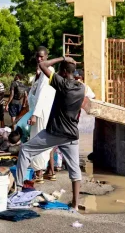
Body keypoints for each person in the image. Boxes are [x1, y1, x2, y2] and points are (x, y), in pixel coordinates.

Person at [16, 56, 85, 211]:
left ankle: (18, 191)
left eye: (61, 71)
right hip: (72, 134)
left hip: (56, 132)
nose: (59, 73)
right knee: (75, 171)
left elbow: (42, 64)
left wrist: (62, 57)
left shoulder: (62, 84)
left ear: (65, 72)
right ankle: (74, 205)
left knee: (25, 150)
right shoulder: (81, 88)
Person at [28, 46, 56, 184]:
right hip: (40, 111)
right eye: (37, 57)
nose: (39, 59)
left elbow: (42, 95)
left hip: (42, 112)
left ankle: (39, 172)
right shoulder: (40, 73)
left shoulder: (48, 72)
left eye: (42, 57)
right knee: (45, 141)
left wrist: (35, 114)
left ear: (47, 57)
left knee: (38, 140)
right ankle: (50, 171)